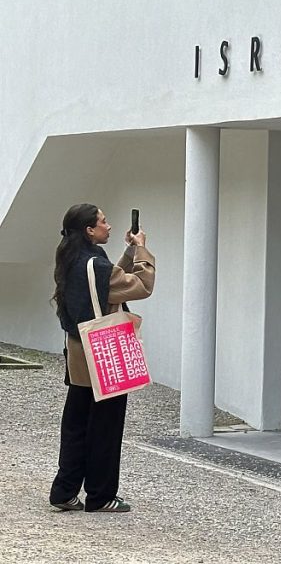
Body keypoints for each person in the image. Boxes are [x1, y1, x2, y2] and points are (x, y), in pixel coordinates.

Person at [49, 203, 156, 513]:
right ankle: (101, 495)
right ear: (89, 230)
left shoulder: (71, 258)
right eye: (103, 222)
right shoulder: (96, 265)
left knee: (76, 424)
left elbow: (107, 281)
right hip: (105, 351)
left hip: (79, 351)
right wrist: (143, 252)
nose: (108, 226)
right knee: (106, 427)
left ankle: (64, 491)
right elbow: (139, 286)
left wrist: (127, 252)